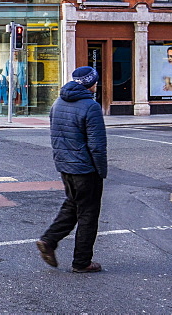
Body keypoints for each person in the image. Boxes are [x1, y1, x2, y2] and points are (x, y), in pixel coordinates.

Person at [36, 66, 107, 274]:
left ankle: (49, 240)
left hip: (65, 166)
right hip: (85, 169)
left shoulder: (58, 102)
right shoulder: (90, 106)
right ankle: (82, 261)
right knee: (88, 214)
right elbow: (97, 145)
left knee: (73, 205)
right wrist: (101, 170)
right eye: (95, 81)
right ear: (91, 83)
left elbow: (56, 135)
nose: (96, 84)